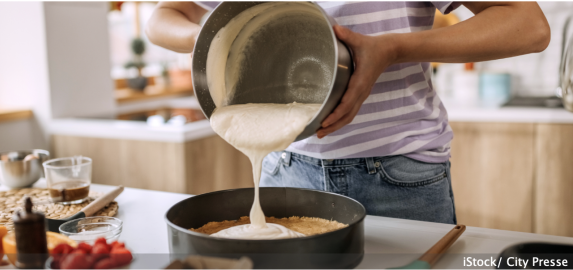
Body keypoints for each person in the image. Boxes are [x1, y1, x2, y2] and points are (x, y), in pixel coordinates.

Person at [146, 2, 550, 224]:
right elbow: (163, 16)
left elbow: (527, 24)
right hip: (285, 169)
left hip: (399, 176)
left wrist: (393, 48)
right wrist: (206, 36)